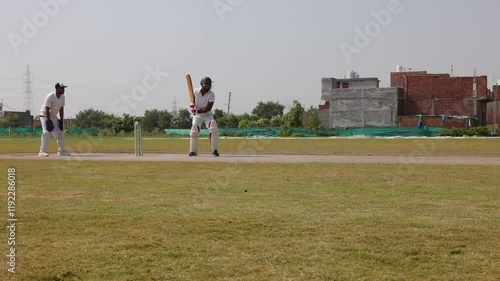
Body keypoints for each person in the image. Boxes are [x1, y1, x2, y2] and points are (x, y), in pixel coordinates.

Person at [38, 82, 71, 157]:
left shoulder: (62, 97)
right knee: (46, 133)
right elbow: (47, 108)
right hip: (44, 115)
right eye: (61, 88)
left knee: (60, 134)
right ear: (57, 89)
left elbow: (61, 109)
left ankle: (61, 151)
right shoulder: (50, 96)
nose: (63, 89)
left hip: (53, 116)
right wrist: (48, 120)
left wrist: (61, 120)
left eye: (64, 88)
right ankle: (42, 151)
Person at [189, 77, 219, 156]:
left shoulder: (211, 94)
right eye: (207, 84)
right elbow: (192, 102)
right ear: (202, 84)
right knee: (194, 130)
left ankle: (214, 150)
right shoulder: (195, 91)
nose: (208, 86)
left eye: (209, 84)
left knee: (213, 127)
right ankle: (193, 151)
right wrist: (192, 106)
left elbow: (208, 108)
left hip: (207, 115)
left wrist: (197, 110)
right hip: (197, 116)